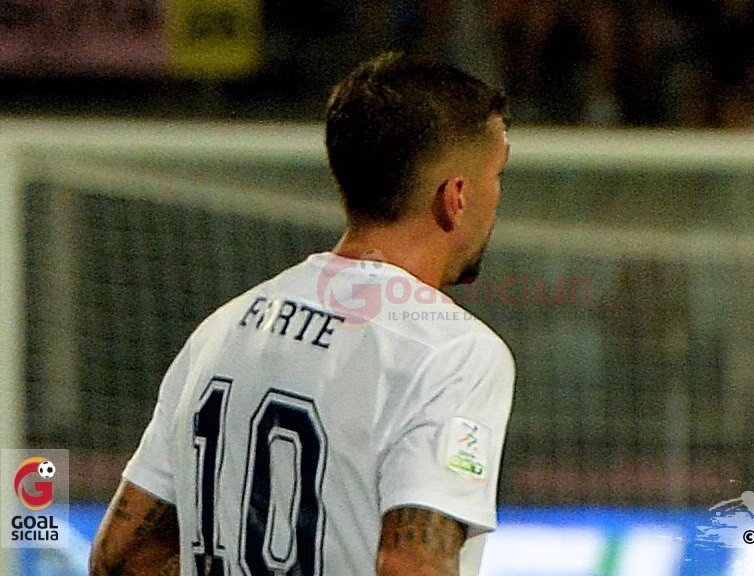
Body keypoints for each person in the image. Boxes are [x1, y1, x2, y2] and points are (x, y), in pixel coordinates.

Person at [89, 52, 514, 576]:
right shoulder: (453, 352)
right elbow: (413, 565)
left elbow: (120, 557)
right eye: (498, 175)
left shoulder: (224, 327)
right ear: (456, 197)